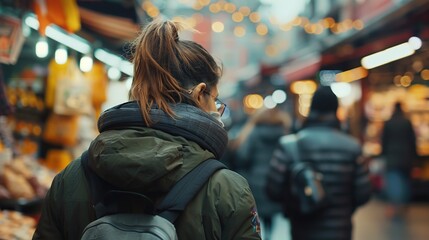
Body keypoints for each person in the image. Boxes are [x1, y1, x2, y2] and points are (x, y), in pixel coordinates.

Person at [33, 19, 262, 240]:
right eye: (215, 100)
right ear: (200, 93)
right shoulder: (228, 189)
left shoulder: (70, 178)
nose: (217, 110)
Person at [266, 86, 372, 240]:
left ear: (311, 108)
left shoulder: (289, 145)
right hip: (340, 231)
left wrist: (296, 200)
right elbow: (363, 194)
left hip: (302, 230)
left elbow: (273, 190)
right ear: (336, 110)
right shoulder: (352, 147)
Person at [235, 107, 291, 240]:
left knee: (258, 216)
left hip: (256, 181)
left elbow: (243, 156)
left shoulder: (253, 133)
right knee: (272, 216)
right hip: (276, 181)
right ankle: (271, 235)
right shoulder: (284, 133)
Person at [381, 101, 417, 219]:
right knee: (405, 181)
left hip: (392, 156)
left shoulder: (389, 123)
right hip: (406, 157)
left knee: (393, 181)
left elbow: (384, 141)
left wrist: (384, 154)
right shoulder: (407, 122)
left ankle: (394, 205)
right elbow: (412, 141)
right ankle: (403, 204)